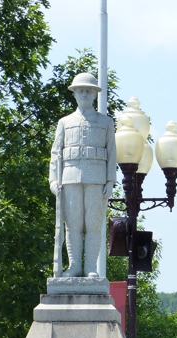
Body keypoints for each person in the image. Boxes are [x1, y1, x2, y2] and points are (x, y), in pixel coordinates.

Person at [49, 72, 116, 277]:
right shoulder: (64, 122)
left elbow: (112, 151)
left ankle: (90, 268)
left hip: (97, 178)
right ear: (74, 94)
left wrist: (110, 179)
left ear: (95, 94)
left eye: (88, 90)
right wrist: (53, 179)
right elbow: (56, 152)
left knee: (93, 224)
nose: (84, 94)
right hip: (69, 178)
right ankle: (75, 265)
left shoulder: (106, 123)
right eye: (81, 90)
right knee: (74, 224)